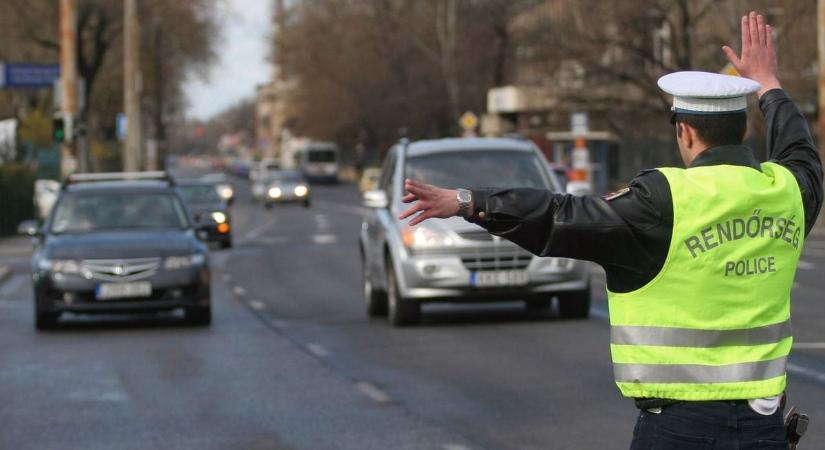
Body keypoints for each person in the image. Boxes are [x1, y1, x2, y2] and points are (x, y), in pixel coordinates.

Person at [399, 11, 822, 449]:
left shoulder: (663, 200)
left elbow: (558, 217)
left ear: (685, 132)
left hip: (680, 430)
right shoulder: (787, 192)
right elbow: (801, 153)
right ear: (744, 128)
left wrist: (470, 202)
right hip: (764, 428)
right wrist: (769, 84)